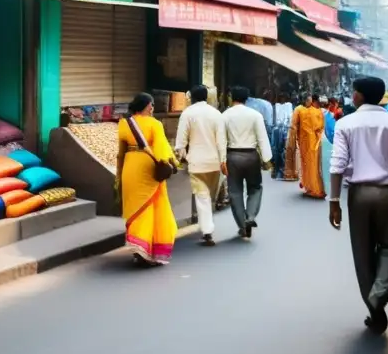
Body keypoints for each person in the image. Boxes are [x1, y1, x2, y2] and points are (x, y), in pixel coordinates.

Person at [329, 76, 388, 335]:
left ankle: (374, 308)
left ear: (357, 95)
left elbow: (337, 166)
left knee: (363, 252)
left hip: (359, 195)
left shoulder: (345, 123)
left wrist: (334, 202)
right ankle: (380, 295)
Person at [117, 93, 178, 265]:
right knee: (152, 205)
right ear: (146, 106)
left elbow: (120, 154)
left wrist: (118, 175)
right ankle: (148, 248)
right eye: (151, 105)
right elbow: (161, 149)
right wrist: (170, 164)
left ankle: (138, 247)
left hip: (130, 167)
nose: (152, 108)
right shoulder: (155, 124)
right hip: (148, 167)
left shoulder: (124, 124)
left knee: (135, 206)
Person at [174, 85, 227, 246]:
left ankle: (207, 231)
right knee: (208, 197)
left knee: (201, 197)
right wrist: (223, 161)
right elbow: (221, 141)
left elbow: (180, 142)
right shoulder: (216, 114)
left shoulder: (187, 113)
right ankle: (207, 227)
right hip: (214, 162)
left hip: (196, 162)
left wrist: (180, 156)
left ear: (192, 98)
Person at [223, 86, 272, 239]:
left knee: (235, 192)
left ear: (232, 97)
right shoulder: (255, 115)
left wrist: (221, 159)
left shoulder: (225, 115)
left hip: (232, 156)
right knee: (255, 188)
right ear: (247, 98)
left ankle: (242, 226)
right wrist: (267, 159)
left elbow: (221, 139)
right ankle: (250, 216)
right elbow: (262, 138)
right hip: (251, 156)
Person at [288, 93, 325, 198]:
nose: (310, 102)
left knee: (312, 166)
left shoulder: (312, 111)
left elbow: (320, 126)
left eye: (311, 100)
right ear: (305, 101)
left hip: (312, 142)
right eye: (309, 100)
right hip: (305, 142)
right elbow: (294, 126)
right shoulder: (302, 110)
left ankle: (315, 189)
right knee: (307, 166)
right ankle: (309, 187)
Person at [272, 93, 294, 180]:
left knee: (285, 150)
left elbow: (291, 118)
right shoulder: (276, 106)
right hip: (278, 130)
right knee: (277, 150)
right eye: (280, 97)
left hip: (286, 130)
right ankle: (277, 170)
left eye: (283, 97)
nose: (282, 99)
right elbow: (274, 119)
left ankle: (285, 170)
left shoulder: (288, 106)